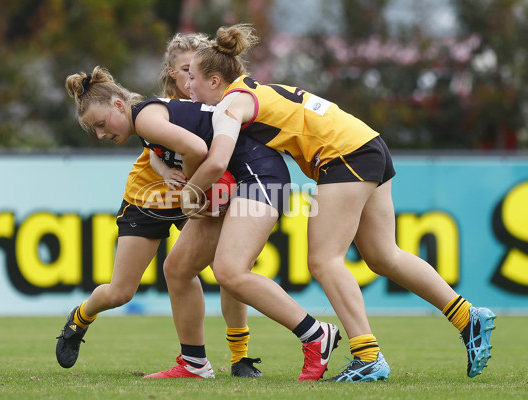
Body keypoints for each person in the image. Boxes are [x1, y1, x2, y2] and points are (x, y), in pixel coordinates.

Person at [180, 23, 496, 382]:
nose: (186, 85)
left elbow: (219, 160)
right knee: (382, 255)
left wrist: (189, 193)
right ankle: (466, 316)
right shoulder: (253, 88)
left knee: (324, 260)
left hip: (343, 155)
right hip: (368, 143)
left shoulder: (230, 105)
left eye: (191, 77)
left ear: (215, 81)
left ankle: (368, 356)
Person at [55, 33, 264, 378]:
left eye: (199, 66)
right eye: (186, 68)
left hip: (194, 189)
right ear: (172, 71)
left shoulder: (217, 102)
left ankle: (237, 357)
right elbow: (155, 153)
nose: (192, 75)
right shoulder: (155, 107)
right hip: (148, 195)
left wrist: (195, 189)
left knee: (230, 270)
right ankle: (80, 318)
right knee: (122, 290)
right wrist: (168, 170)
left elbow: (201, 152)